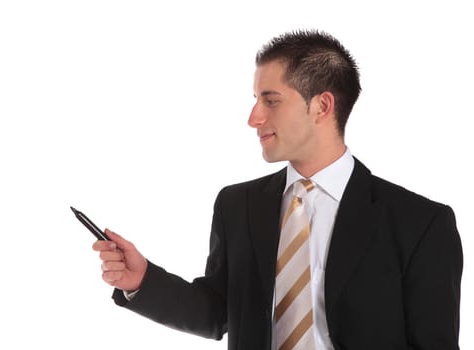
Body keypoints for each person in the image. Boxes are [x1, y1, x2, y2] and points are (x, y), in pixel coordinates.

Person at [92, 30, 463, 350]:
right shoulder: (238, 205)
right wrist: (142, 281)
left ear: (322, 105)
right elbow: (218, 312)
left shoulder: (420, 223)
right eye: (256, 100)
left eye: (270, 100)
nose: (254, 117)